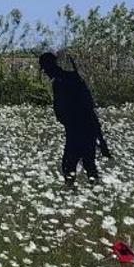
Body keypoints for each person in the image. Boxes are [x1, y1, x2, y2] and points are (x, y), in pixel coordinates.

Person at [39, 53, 101, 184]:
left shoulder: (62, 82)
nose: (46, 73)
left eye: (45, 69)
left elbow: (82, 106)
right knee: (87, 164)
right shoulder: (71, 78)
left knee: (70, 166)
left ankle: (73, 191)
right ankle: (94, 192)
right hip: (83, 128)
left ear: (50, 66)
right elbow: (89, 104)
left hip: (77, 129)